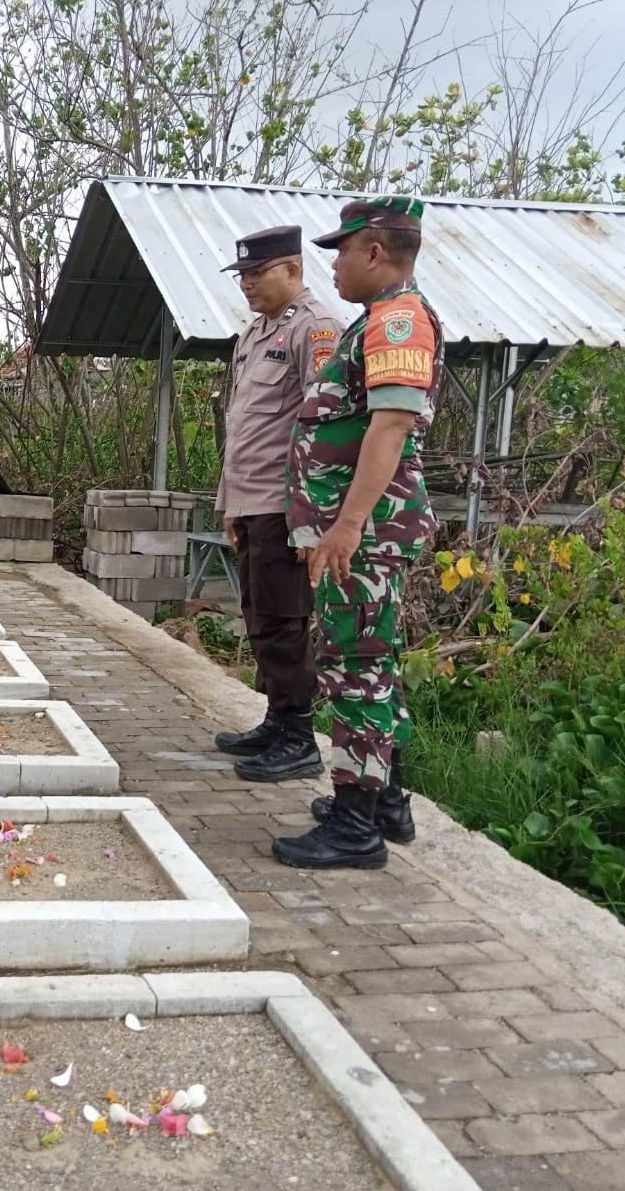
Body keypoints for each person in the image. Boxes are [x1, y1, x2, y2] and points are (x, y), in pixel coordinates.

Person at [272, 195, 439, 870]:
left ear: (375, 251)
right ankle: (384, 799)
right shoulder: (376, 320)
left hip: (363, 537)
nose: (333, 264)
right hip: (362, 534)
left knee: (357, 672)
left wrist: (344, 527)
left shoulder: (397, 321)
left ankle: (354, 826)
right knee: (371, 665)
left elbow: (390, 427)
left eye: (340, 250)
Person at [210, 226, 342, 784]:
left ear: (291, 269)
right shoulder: (255, 334)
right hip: (252, 501)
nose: (247, 285)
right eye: (241, 275)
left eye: (256, 274)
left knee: (285, 621)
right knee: (261, 619)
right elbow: (243, 429)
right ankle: (276, 719)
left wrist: (310, 514)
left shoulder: (317, 328)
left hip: (286, 506)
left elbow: (323, 426)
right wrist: (228, 503)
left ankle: (299, 737)